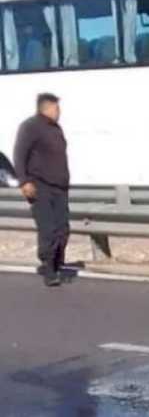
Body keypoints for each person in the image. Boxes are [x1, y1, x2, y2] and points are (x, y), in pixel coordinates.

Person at [14, 93, 70, 287]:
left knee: (63, 229)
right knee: (49, 229)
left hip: (60, 187)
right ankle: (49, 269)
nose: (59, 112)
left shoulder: (55, 129)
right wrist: (24, 182)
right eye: (56, 108)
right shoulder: (30, 127)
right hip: (40, 186)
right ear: (46, 108)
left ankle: (55, 261)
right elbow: (19, 154)